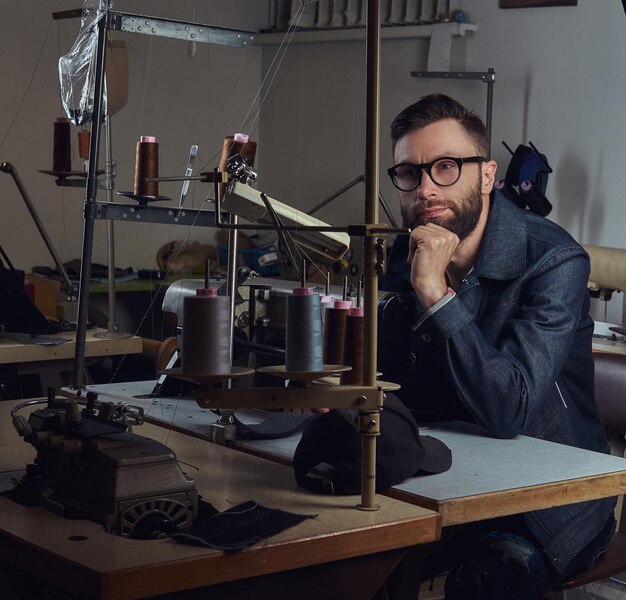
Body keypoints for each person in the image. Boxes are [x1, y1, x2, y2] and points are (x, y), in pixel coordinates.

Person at [381, 94, 616, 599]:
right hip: (448, 474)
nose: (425, 189)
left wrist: (435, 294)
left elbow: (510, 408)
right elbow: (394, 377)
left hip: (549, 500)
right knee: (351, 563)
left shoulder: (553, 261)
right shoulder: (406, 251)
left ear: (487, 176)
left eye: (446, 167)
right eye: (408, 172)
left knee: (479, 584)